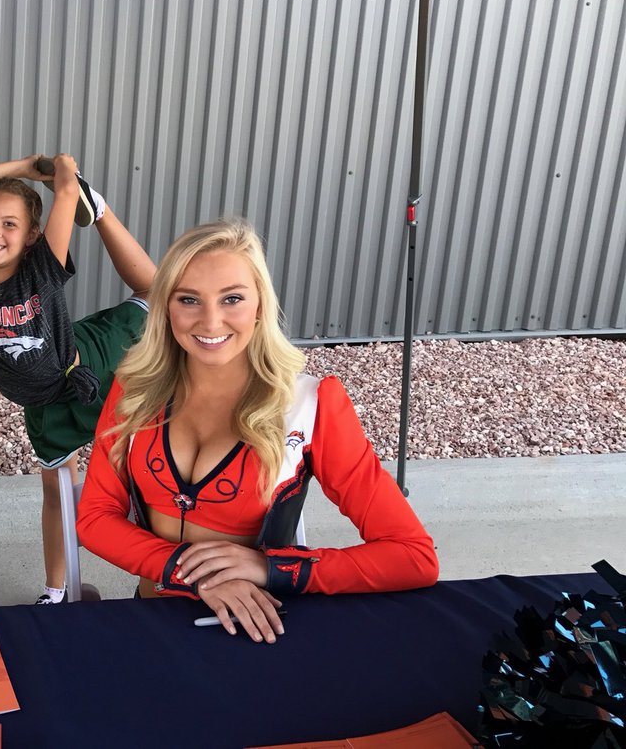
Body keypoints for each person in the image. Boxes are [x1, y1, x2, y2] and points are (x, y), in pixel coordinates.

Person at [77, 218, 438, 641]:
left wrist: (269, 568)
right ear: (165, 307)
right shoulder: (133, 390)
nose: (211, 322)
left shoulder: (312, 405)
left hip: (254, 627)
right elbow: (95, 518)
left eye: (232, 298)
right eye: (189, 299)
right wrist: (194, 574)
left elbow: (412, 557)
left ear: (261, 305)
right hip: (150, 620)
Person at [0, 154, 156, 604]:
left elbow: (63, 189)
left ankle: (98, 210)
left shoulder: (41, 270)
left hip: (95, 368)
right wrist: (23, 165)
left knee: (155, 296)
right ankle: (56, 591)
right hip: (43, 400)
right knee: (56, 490)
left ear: (32, 236)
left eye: (9, 224)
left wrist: (62, 170)